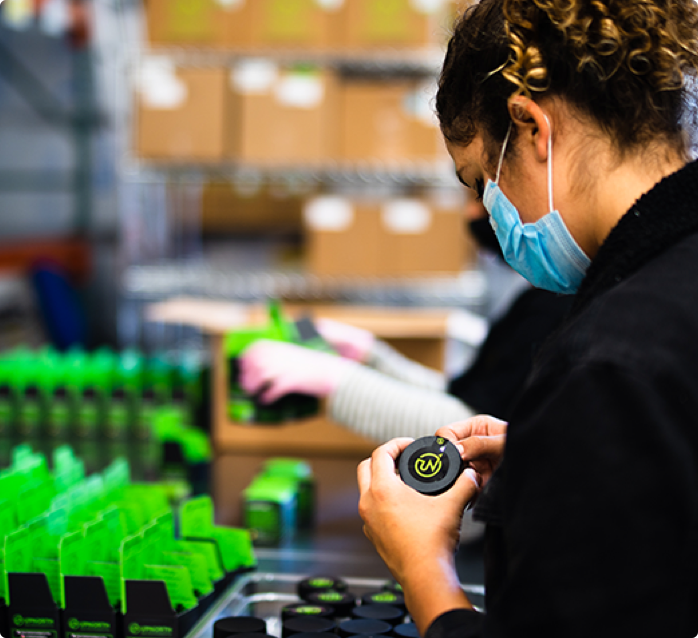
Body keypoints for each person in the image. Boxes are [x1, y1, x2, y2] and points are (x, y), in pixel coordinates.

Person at [357, 0, 698, 635]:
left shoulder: (610, 364)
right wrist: (557, 458)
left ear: (531, 128)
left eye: (479, 180)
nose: (489, 214)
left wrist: (422, 564)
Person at [239, 198, 572, 441]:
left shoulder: (557, 308)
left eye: (481, 194)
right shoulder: (537, 298)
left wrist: (335, 380)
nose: (470, 213)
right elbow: (470, 399)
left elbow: (470, 429)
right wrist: (372, 357)